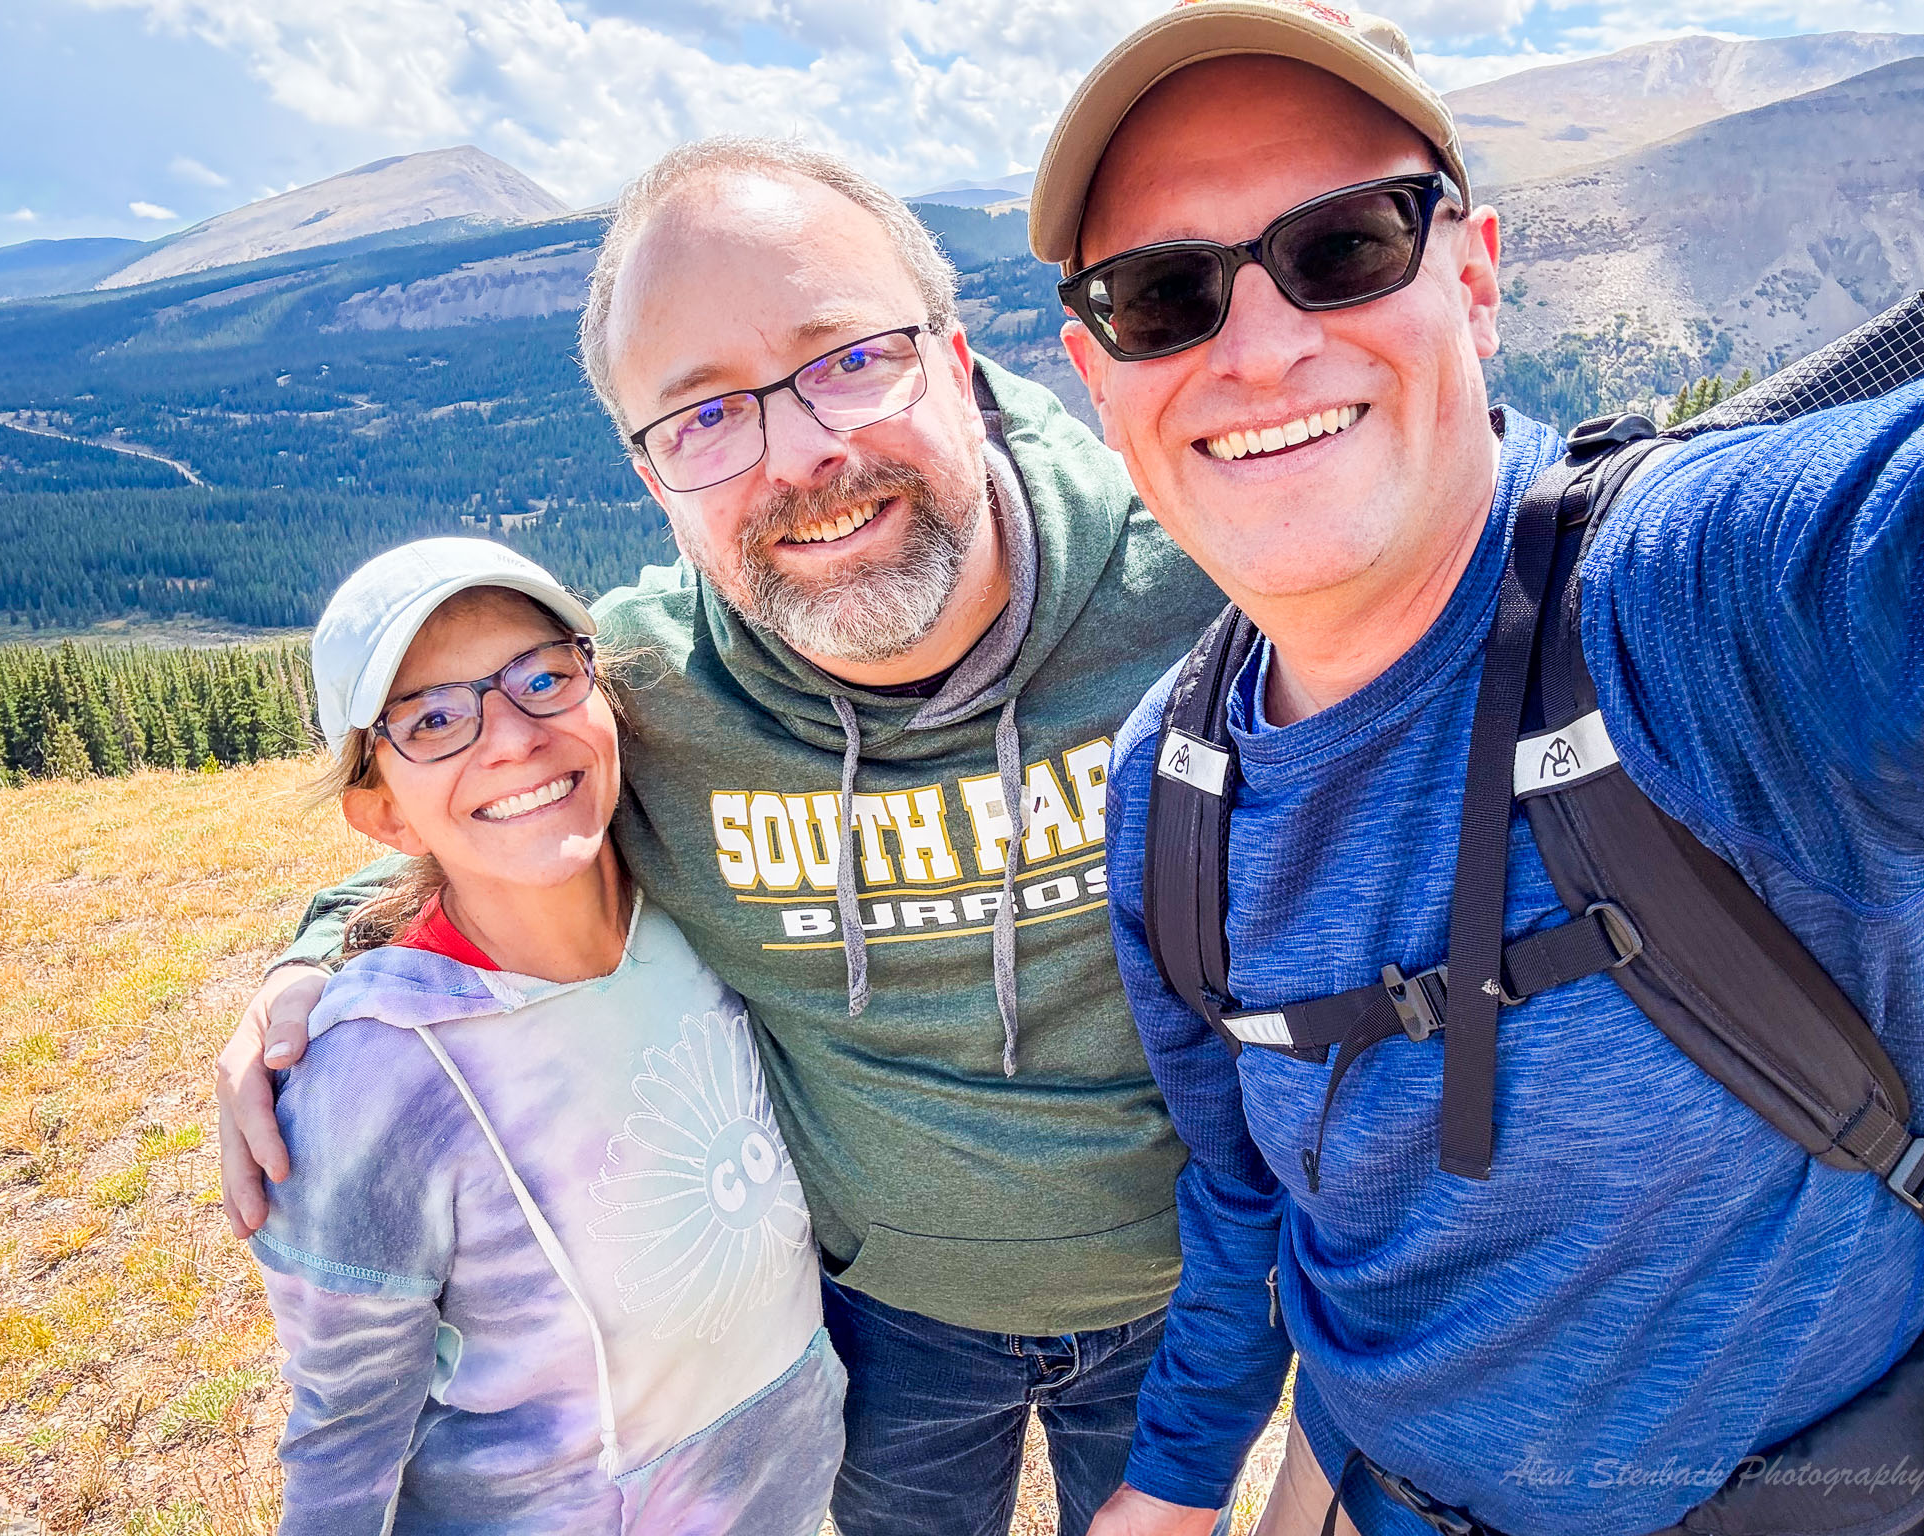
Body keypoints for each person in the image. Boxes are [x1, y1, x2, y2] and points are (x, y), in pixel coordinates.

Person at [213, 139, 1282, 1535]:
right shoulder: (656, 694)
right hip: (887, 1323)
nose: (803, 456)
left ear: (957, 360)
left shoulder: (1203, 594)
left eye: (847, 359)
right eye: (704, 415)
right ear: (653, 476)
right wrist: (314, 968)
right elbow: (506, 804)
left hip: (1178, 1299)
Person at [1023, 3, 1924, 1535]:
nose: (1260, 348)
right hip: (1359, 1484)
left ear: (1472, 280)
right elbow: (1251, 1189)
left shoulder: (1687, 609)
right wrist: (1178, 1479)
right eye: (1165, 294)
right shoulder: (1169, 789)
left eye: (1343, 247)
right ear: (1100, 379)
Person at [253, 537, 842, 1534]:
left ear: (605, 700)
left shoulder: (704, 908)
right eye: (432, 719)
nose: (511, 738)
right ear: (382, 813)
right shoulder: (375, 1074)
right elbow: (344, 1431)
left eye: (542, 676)